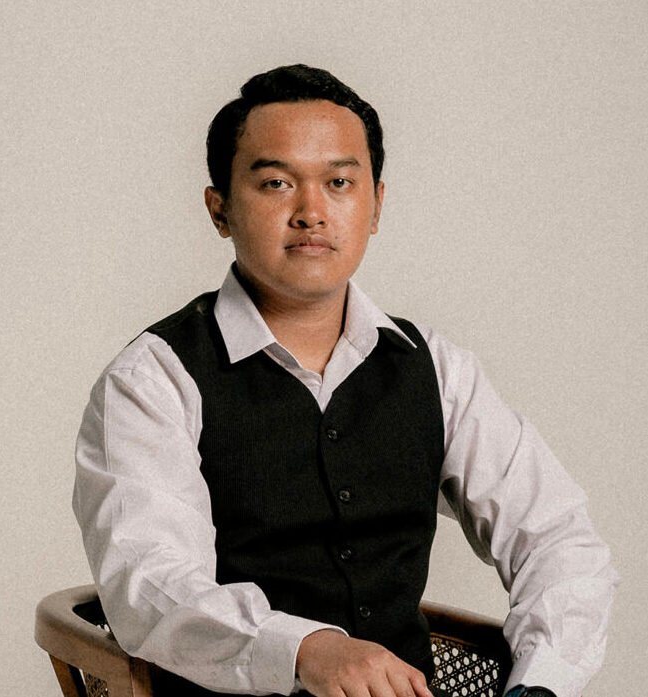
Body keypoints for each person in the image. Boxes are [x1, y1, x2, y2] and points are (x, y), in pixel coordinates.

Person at [73, 65, 618, 697]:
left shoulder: (435, 367)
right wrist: (306, 649)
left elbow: (557, 537)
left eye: (338, 182)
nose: (311, 212)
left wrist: (540, 684)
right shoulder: (154, 379)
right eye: (276, 183)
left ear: (376, 205)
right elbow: (149, 585)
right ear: (220, 210)